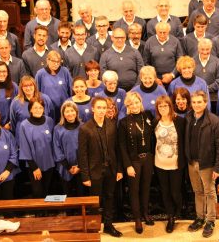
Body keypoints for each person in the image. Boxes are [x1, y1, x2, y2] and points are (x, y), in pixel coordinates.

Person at [78, 97, 123, 237]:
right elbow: (82, 154)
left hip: (111, 169)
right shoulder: (85, 129)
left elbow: (117, 149)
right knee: (95, 201)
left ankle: (108, 225)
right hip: (94, 171)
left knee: (110, 197)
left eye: (104, 108)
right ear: (93, 109)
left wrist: (119, 169)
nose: (102, 110)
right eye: (99, 107)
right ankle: (93, 226)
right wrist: (85, 176)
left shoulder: (111, 125)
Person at [185, 90, 219, 238]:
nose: (196, 105)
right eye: (194, 102)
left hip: (207, 164)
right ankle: (200, 217)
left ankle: (210, 220)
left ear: (206, 103)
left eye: (199, 102)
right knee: (197, 191)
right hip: (192, 162)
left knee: (209, 192)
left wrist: (218, 167)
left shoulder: (215, 121)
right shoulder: (189, 117)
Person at [118, 92, 155, 234]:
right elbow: (122, 146)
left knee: (146, 188)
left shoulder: (148, 116)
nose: (134, 106)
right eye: (131, 103)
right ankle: (137, 218)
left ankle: (146, 213)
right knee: (134, 190)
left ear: (141, 102)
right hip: (134, 161)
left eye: (136, 102)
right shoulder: (124, 122)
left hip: (148, 159)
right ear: (127, 106)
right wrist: (128, 165)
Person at [152, 95, 186, 233]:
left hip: (176, 164)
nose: (163, 108)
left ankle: (178, 210)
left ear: (170, 107)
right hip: (160, 163)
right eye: (160, 106)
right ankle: (170, 217)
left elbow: (184, 142)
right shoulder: (155, 123)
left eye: (165, 105)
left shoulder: (180, 121)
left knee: (175, 192)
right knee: (165, 191)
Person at [19, 98, 55, 198]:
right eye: (35, 108)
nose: (38, 110)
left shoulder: (49, 121)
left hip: (49, 163)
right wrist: (34, 168)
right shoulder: (24, 125)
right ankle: (39, 213)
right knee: (37, 192)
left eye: (40, 107)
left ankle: (47, 212)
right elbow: (24, 148)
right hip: (34, 165)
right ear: (30, 109)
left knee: (47, 190)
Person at [10, 75, 54, 143]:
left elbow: (51, 116)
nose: (28, 88)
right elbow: (13, 122)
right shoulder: (15, 102)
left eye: (30, 85)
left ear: (35, 86)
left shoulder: (45, 99)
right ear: (21, 88)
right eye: (25, 86)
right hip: (23, 138)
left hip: (42, 137)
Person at [53, 101, 83, 197]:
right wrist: (68, 167)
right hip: (65, 166)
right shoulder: (58, 129)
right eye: (67, 111)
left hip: (81, 166)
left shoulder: (83, 127)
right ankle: (69, 211)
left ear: (76, 112)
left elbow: (86, 148)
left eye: (72, 110)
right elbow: (56, 149)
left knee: (81, 192)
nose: (70, 113)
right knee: (67, 193)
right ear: (63, 114)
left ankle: (80, 211)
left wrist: (79, 166)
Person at [35, 50, 73, 122]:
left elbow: (70, 89)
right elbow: (37, 92)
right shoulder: (40, 74)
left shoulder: (65, 71)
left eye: (58, 62)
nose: (56, 64)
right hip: (47, 108)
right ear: (47, 60)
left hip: (63, 107)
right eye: (53, 61)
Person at [143, 22, 183, 86]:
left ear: (168, 31)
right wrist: (154, 78)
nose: (162, 35)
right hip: (155, 80)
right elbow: (146, 62)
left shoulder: (175, 41)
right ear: (156, 31)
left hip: (173, 78)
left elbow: (180, 60)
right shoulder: (149, 42)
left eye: (164, 32)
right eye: (160, 32)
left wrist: (172, 75)